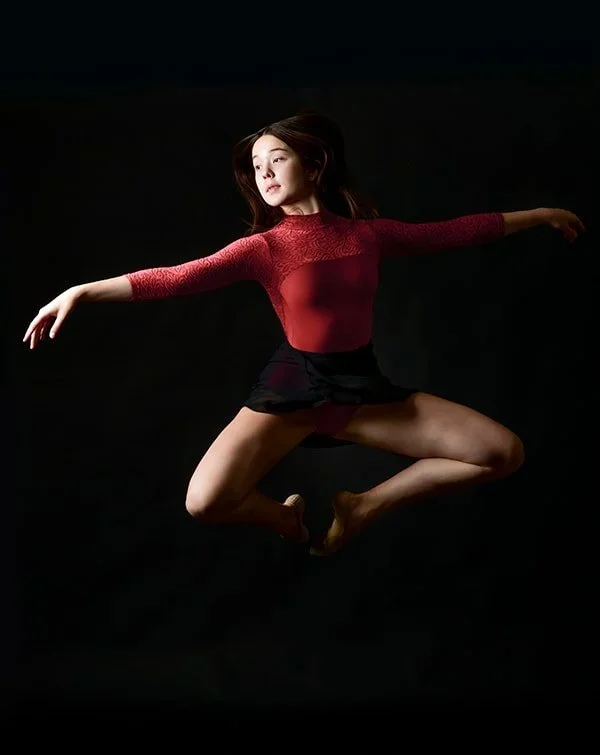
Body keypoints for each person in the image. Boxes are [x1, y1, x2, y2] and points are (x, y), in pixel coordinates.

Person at [23, 111, 585, 557]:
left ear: (313, 165)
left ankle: (362, 507)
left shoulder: (368, 235)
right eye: (255, 166)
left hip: (360, 389)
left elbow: (454, 232)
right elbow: (176, 278)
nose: (263, 173)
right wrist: (80, 291)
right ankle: (285, 518)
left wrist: (537, 214)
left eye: (276, 159)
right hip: (292, 391)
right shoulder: (263, 248)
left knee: (501, 453)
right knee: (205, 501)